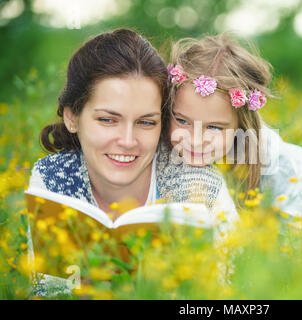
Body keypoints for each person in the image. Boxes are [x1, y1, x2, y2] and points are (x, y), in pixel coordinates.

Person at [28, 28, 238, 297]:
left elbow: (230, 291)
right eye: (107, 119)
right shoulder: (52, 178)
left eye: (146, 122)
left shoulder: (202, 187)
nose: (127, 141)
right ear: (72, 118)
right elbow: (49, 290)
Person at [164, 33, 302, 235]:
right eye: (182, 120)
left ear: (241, 126)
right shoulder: (167, 151)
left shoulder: (282, 168)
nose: (195, 140)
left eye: (214, 127)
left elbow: (293, 247)